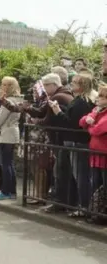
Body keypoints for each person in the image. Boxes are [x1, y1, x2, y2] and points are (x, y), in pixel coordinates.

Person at [23, 73, 74, 213]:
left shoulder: (58, 97)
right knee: (61, 171)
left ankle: (59, 203)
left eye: (46, 85)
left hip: (61, 140)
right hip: (63, 140)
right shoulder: (64, 94)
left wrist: (35, 122)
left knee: (60, 172)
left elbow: (48, 119)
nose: (43, 88)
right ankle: (63, 202)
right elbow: (41, 112)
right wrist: (27, 108)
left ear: (54, 84)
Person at [49, 74, 96, 216]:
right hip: (77, 142)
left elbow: (72, 124)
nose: (71, 84)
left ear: (82, 85)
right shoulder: (80, 100)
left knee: (81, 176)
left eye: (75, 82)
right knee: (79, 176)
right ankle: (81, 205)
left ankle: (84, 207)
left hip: (78, 142)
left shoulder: (82, 102)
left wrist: (57, 112)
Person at [0, 77, 22, 200]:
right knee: (9, 164)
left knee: (6, 164)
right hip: (11, 132)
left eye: (8, 85)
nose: (5, 87)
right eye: (3, 84)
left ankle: (6, 191)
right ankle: (11, 191)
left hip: (6, 133)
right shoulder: (18, 99)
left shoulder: (8, 101)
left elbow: (0, 120)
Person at [79, 83, 107, 219]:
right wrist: (89, 120)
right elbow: (82, 121)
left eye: (102, 97)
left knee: (104, 184)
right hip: (95, 154)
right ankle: (97, 212)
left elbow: (98, 130)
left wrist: (89, 127)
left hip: (104, 154)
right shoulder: (98, 111)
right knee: (95, 183)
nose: (98, 99)